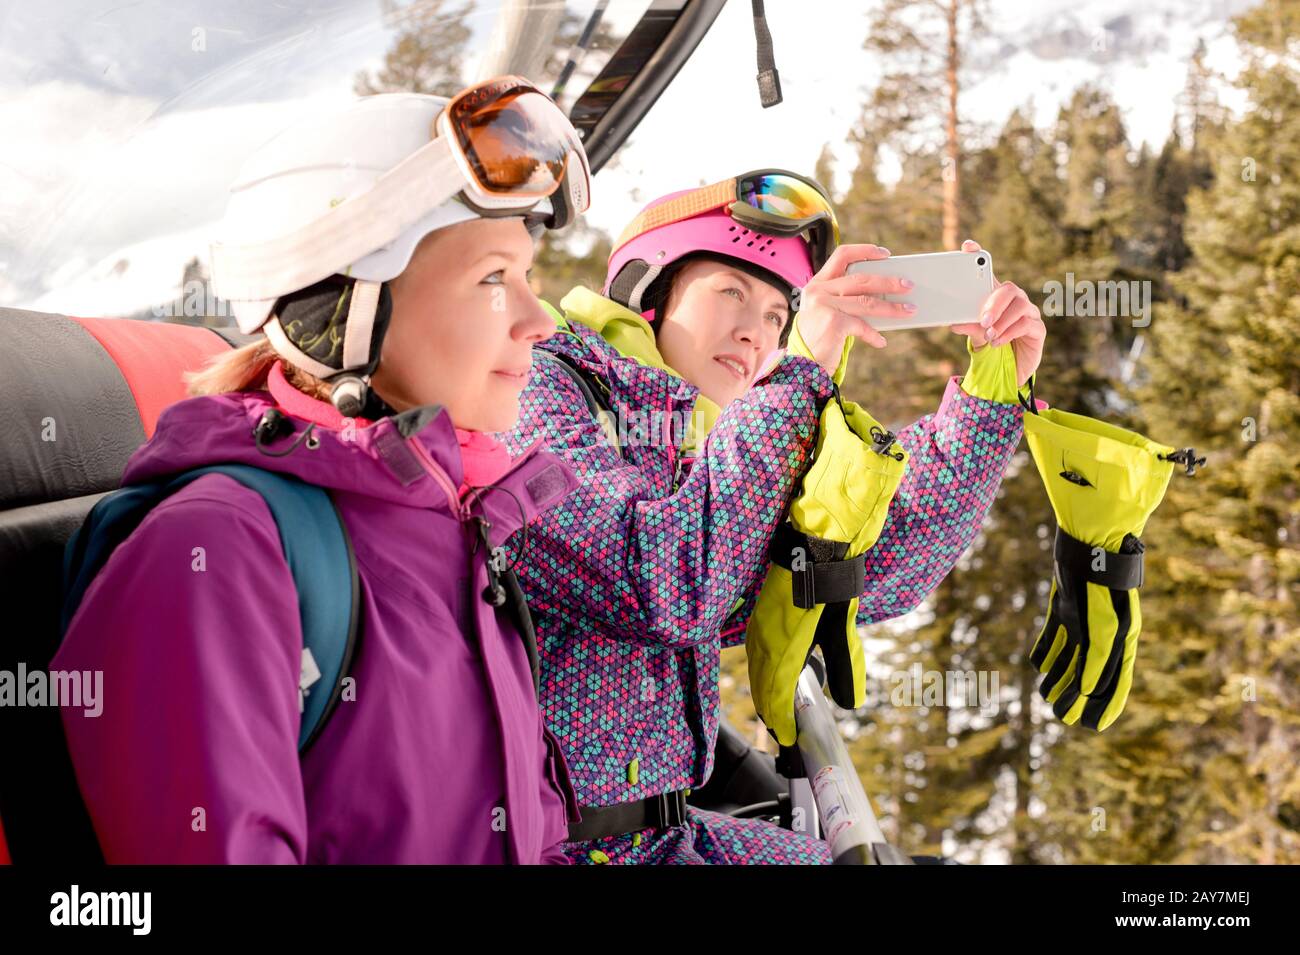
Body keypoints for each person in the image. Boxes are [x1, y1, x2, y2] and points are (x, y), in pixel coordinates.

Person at [52, 79, 593, 863]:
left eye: (529, 277)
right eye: (491, 278)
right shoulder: (217, 553)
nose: (540, 321)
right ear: (342, 313)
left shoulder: (457, 526)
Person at [496, 169, 1046, 864]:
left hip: (667, 835)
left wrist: (991, 393)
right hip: (549, 848)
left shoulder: (703, 447)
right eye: (732, 292)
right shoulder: (542, 385)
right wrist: (802, 369)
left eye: (777, 318)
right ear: (649, 290)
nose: (756, 333)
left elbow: (861, 566)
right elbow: (662, 580)